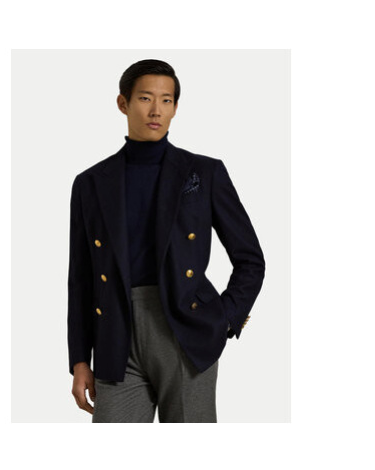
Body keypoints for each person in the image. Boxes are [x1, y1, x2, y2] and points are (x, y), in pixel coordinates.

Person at [67, 59, 265, 422]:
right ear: (123, 103)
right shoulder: (90, 183)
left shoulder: (204, 172)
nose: (156, 110)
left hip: (187, 331)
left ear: (175, 107)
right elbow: (80, 279)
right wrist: (80, 359)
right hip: (116, 335)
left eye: (167, 100)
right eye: (145, 98)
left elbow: (250, 259)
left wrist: (224, 319)